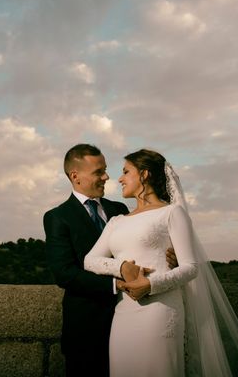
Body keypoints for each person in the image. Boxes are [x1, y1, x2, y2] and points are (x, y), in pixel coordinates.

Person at [84, 149, 238, 377]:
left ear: (144, 174)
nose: (119, 178)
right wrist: (120, 268)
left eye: (125, 172)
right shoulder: (116, 221)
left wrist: (150, 285)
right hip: (123, 315)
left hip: (159, 313)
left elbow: (190, 267)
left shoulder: (171, 213)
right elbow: (89, 260)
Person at [43, 144, 177, 376]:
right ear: (75, 176)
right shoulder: (58, 217)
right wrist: (117, 284)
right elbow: (65, 272)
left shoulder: (119, 209)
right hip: (87, 326)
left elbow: (143, 249)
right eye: (99, 172)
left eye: (105, 170)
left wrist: (170, 259)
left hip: (133, 319)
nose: (106, 177)